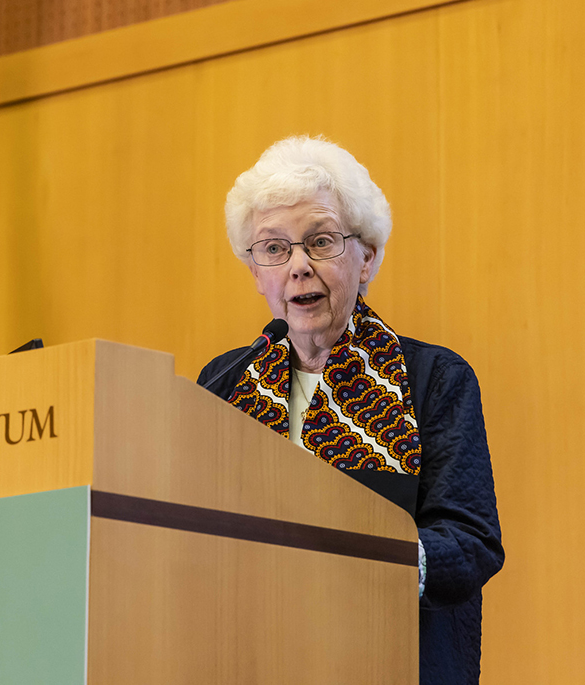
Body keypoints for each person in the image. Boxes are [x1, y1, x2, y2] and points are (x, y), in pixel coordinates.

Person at [198, 136, 505, 684]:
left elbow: (471, 542)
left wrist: (350, 551)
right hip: (249, 658)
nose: (297, 266)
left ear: (366, 258)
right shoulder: (225, 383)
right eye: (273, 248)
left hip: (392, 660)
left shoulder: (434, 379)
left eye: (320, 242)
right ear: (255, 271)